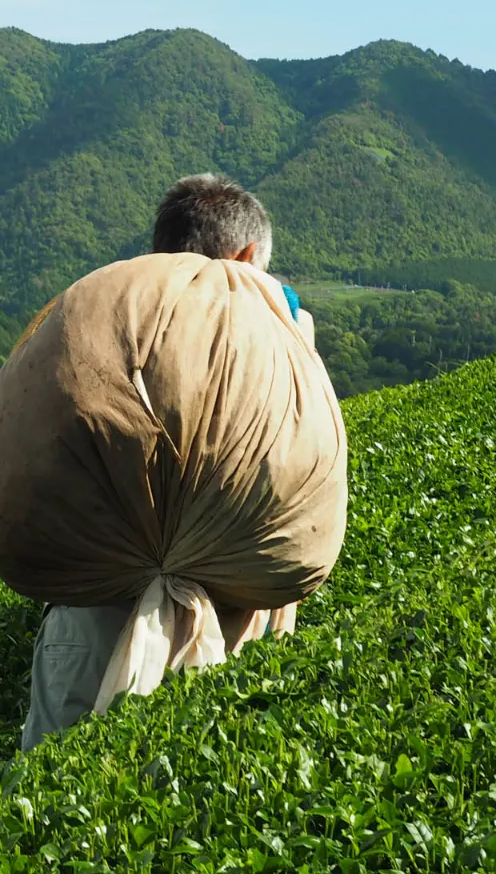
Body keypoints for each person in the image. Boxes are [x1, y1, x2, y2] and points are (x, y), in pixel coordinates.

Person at [19, 174, 311, 751]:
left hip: (86, 621)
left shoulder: (103, 317)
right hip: (224, 626)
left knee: (47, 820)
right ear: (248, 257)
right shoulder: (275, 332)